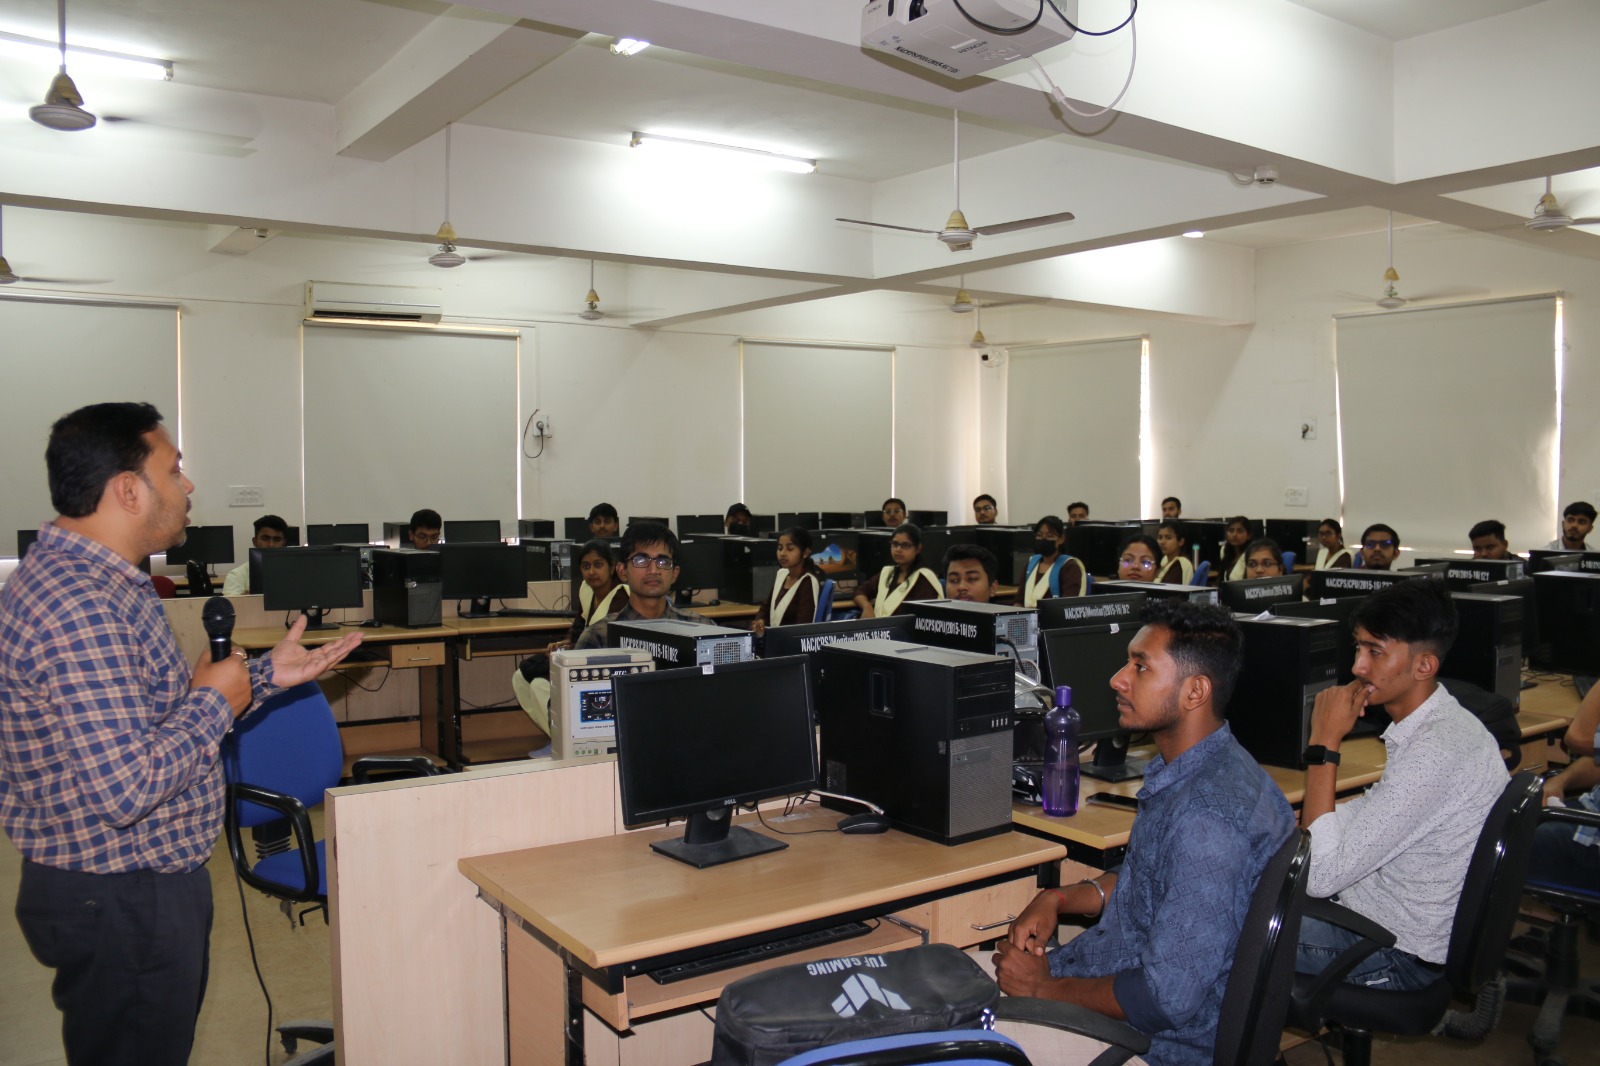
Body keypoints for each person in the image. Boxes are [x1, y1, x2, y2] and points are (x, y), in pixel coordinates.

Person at [0, 402, 363, 1066]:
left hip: (127, 884)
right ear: (128, 489)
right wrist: (215, 700)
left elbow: (162, 721)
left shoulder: (105, 584)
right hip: (122, 891)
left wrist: (262, 678)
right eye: (174, 469)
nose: (188, 484)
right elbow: (128, 788)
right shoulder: (81, 605)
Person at [992, 600, 1294, 1066]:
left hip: (1155, 1044)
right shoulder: (1209, 768)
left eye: (1140, 666)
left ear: (1195, 691)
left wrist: (1042, 989)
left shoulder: (1207, 817)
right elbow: (1157, 878)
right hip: (1114, 985)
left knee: (957, 1038)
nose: (1118, 679)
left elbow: (1163, 998)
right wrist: (1061, 898)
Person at [1296, 579, 1506, 992]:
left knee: (1226, 925)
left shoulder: (1435, 751)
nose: (1358, 667)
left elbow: (1320, 877)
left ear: (1424, 666)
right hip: (1386, 920)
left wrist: (1323, 744)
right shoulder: (1444, 723)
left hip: (1395, 953)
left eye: (1375, 652)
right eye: (1358, 648)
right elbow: (1379, 810)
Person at [574, 522, 706, 650]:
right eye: (641, 560)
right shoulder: (599, 637)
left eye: (663, 561)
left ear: (674, 574)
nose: (653, 570)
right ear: (622, 571)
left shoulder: (701, 629)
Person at [1529, 682, 1600, 887]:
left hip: (1594, 837)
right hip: (1592, 811)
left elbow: (1578, 737)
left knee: (1509, 837)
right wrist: (1560, 781)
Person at [852, 522, 941, 618]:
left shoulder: (924, 579)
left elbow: (922, 618)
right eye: (895, 544)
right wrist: (867, 606)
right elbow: (860, 591)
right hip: (880, 626)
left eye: (905, 545)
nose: (898, 549)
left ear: (918, 548)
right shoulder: (888, 573)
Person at [752, 526, 822, 636]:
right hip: (774, 638)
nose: (782, 553)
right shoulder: (782, 574)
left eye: (790, 549)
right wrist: (760, 620)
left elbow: (803, 627)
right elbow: (766, 607)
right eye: (780, 548)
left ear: (805, 553)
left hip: (789, 642)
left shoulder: (808, 582)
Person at [1021, 515, 1087, 606]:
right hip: (1028, 614)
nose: (1044, 539)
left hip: (1055, 614)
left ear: (1061, 539)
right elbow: (1019, 600)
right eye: (1039, 535)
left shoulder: (1070, 567)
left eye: (1050, 536)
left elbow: (1068, 605)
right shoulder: (1031, 564)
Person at [222, 513, 288, 595]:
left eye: (277, 539)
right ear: (255, 542)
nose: (271, 544)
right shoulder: (237, 575)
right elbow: (232, 602)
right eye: (265, 538)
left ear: (284, 543)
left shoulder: (295, 572)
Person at [1155, 519, 1194, 585]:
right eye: (1160, 537)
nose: (1162, 542)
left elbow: (1167, 589)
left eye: (1168, 538)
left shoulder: (1181, 564)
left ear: (1181, 542)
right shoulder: (1165, 559)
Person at [1217, 516, 1251, 583]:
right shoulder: (1224, 550)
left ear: (1249, 536)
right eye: (1231, 530)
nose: (1234, 534)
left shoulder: (1252, 553)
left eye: (1240, 531)